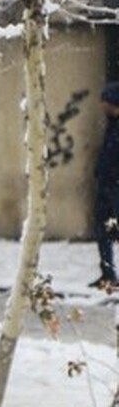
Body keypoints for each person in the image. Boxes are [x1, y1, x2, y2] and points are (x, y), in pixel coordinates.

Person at [90, 81, 119, 289]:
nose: (102, 105)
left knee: (110, 230)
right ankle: (107, 273)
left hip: (114, 186)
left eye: (105, 100)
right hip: (106, 185)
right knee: (102, 230)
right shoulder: (111, 123)